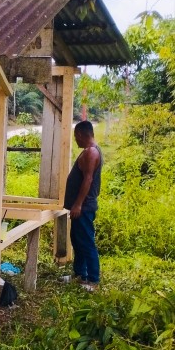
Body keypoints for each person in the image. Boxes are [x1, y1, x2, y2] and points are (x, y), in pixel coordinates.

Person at [64, 120, 103, 291]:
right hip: (82, 206)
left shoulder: (91, 152)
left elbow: (88, 180)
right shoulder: (89, 151)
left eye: (75, 137)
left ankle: (93, 280)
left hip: (84, 207)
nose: (75, 140)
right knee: (78, 240)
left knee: (86, 242)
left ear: (80, 134)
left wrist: (78, 205)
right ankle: (80, 275)